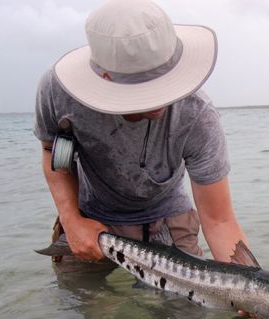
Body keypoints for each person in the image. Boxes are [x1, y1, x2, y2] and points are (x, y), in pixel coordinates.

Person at [34, 0, 248, 273]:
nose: (159, 104)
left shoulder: (198, 115)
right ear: (105, 77)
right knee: (79, 298)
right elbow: (52, 151)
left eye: (164, 84)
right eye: (143, 91)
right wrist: (71, 220)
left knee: (188, 303)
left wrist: (251, 287)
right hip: (90, 217)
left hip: (169, 218)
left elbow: (219, 221)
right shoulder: (58, 91)